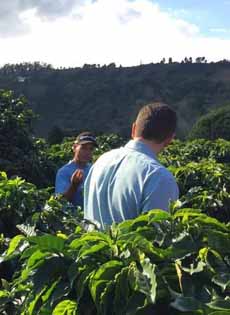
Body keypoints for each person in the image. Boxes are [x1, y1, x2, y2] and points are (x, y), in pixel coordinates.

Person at [84, 102, 179, 229]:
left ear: (133, 129)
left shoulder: (101, 161)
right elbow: (157, 240)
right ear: (170, 139)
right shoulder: (160, 177)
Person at [55, 132, 97, 207]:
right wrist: (74, 185)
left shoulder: (94, 169)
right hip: (74, 217)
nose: (87, 152)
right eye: (83, 148)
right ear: (74, 148)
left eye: (91, 149)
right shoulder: (64, 172)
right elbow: (61, 202)